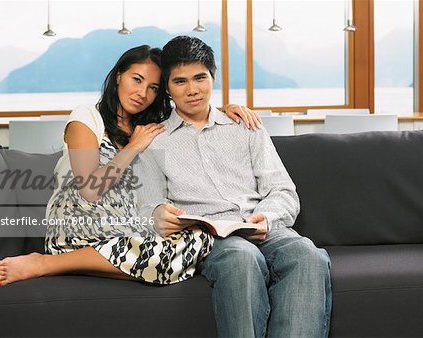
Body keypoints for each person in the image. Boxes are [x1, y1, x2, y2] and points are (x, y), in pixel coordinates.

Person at [0, 45, 260, 286]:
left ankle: (94, 262)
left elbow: (190, 108)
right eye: (137, 80)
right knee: (174, 247)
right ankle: (46, 263)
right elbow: (89, 189)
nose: (142, 93)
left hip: (128, 232)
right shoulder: (88, 117)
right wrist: (134, 147)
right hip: (79, 225)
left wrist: (225, 109)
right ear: (119, 75)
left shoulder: (154, 125)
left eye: (154, 88)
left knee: (201, 239)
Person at [135, 36, 332, 337]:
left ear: (213, 76)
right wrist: (159, 215)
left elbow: (283, 191)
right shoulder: (155, 140)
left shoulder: (245, 125)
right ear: (167, 88)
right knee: (242, 257)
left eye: (200, 77)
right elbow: (147, 206)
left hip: (262, 228)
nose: (193, 90)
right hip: (210, 240)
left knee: (308, 253)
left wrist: (266, 218)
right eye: (180, 81)